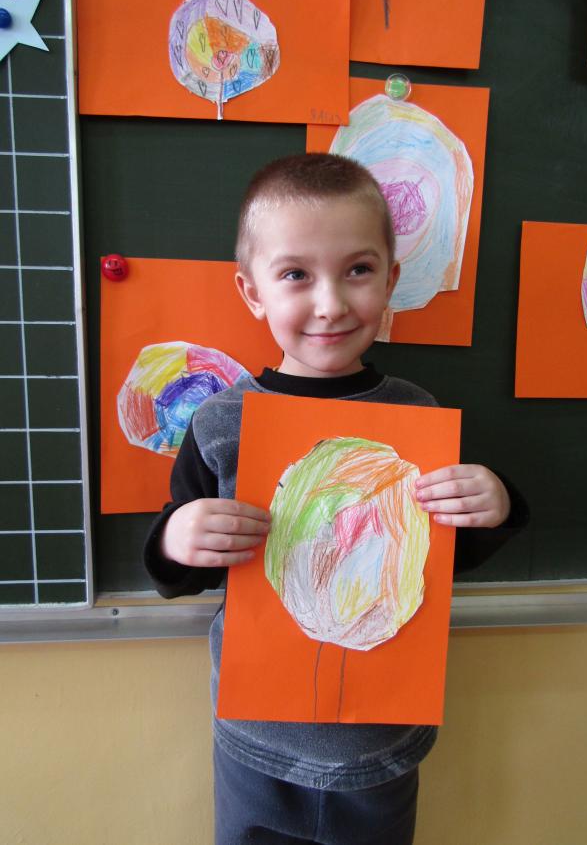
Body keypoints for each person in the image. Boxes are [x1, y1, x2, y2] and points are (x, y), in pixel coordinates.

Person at [144, 153, 528, 845]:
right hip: (256, 743)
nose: (330, 304)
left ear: (391, 280)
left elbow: (438, 557)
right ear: (252, 292)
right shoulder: (220, 422)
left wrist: (496, 502)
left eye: (357, 270)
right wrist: (177, 539)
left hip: (381, 744)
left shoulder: (417, 414)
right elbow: (179, 570)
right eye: (296, 274)